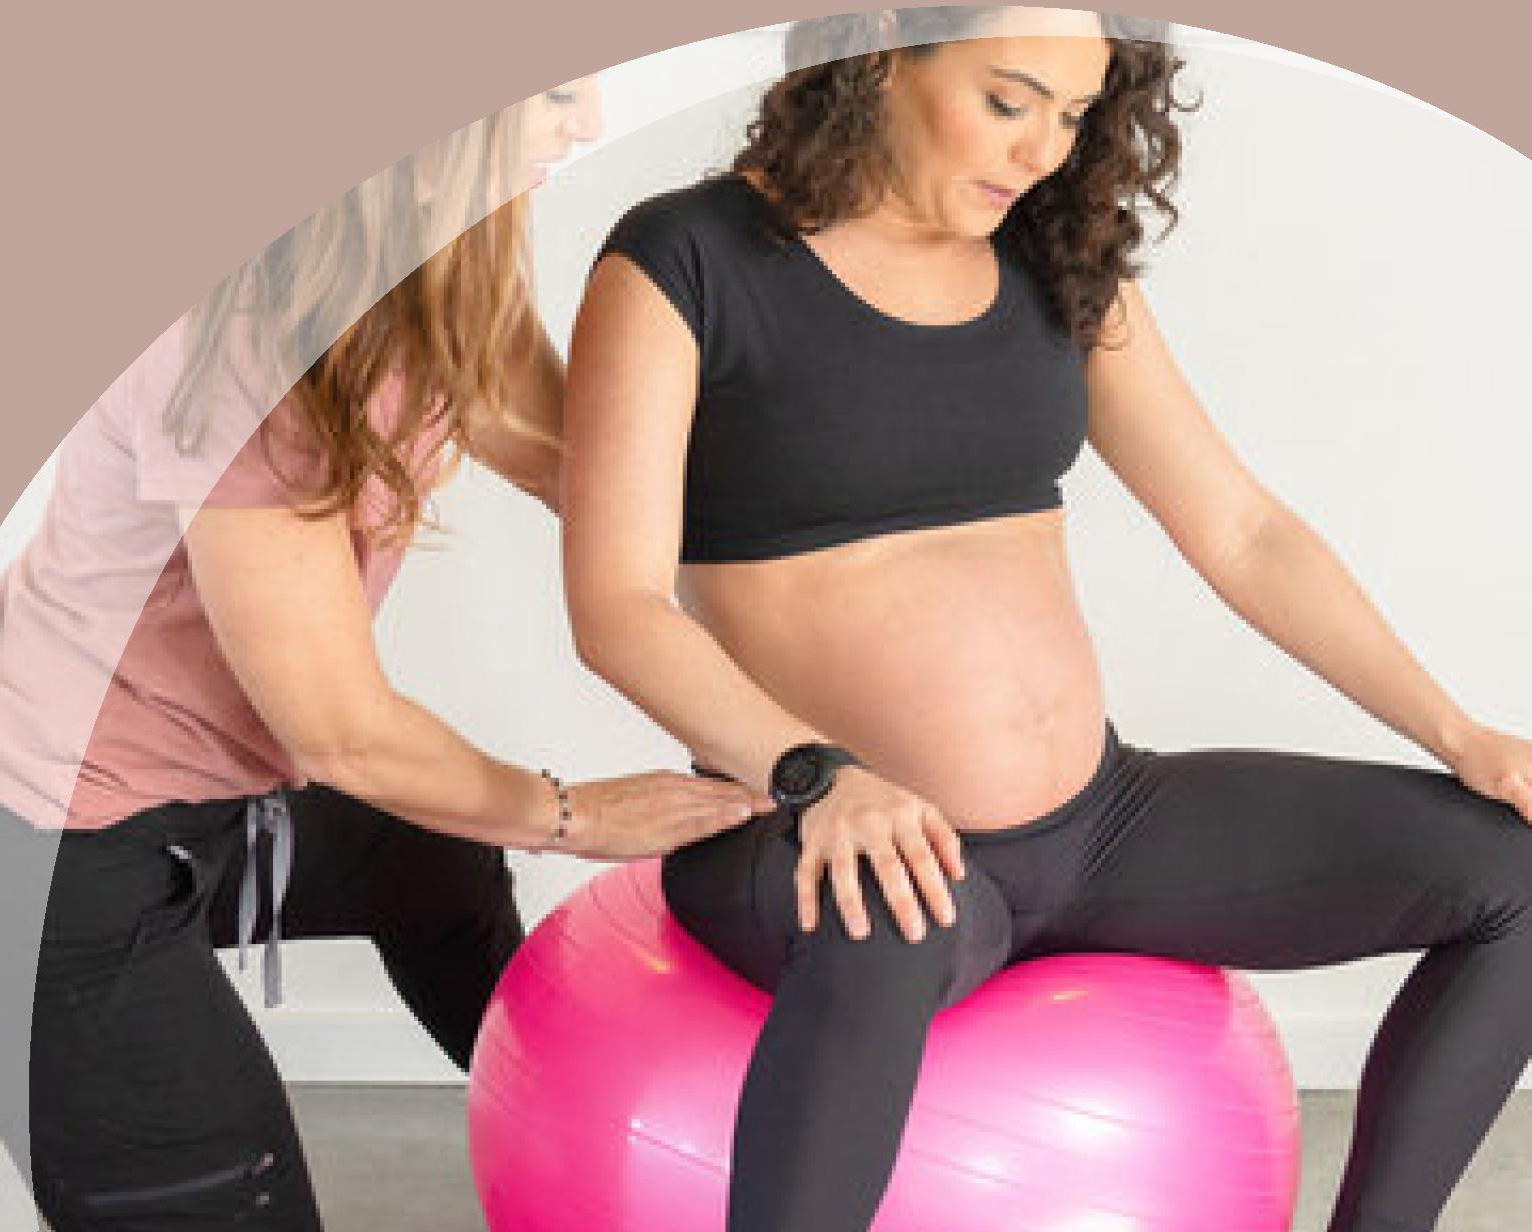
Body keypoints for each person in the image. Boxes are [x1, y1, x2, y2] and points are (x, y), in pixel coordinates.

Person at [561, 8, 1532, 1232]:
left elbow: (1241, 529)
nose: (1041, 153)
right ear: (869, 56)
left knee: (1516, 872)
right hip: (814, 829)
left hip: (1098, 820)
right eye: (1009, 100)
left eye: (1073, 117)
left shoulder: (1059, 258)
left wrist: (1459, 732)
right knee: (885, 922)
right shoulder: (683, 258)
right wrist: (817, 776)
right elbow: (618, 605)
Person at [0, 78, 761, 1232]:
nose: (583, 124)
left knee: (433, 866)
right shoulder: (248, 331)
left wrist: (804, 618)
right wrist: (575, 810)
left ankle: (590, 1122)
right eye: (548, 92)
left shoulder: (442, 253)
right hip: (30, 856)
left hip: (205, 802)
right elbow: (337, 726)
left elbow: (565, 459)